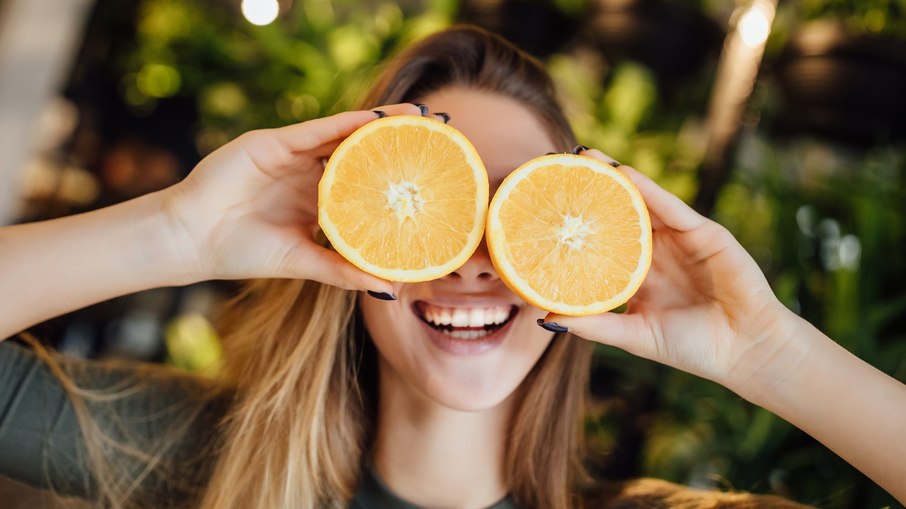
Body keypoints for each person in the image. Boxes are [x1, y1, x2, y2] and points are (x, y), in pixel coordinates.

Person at [0, 25, 904, 509]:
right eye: (429, 205)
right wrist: (172, 234)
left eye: (518, 211)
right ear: (347, 237)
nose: (475, 262)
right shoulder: (207, 462)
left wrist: (773, 357)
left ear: (579, 245)